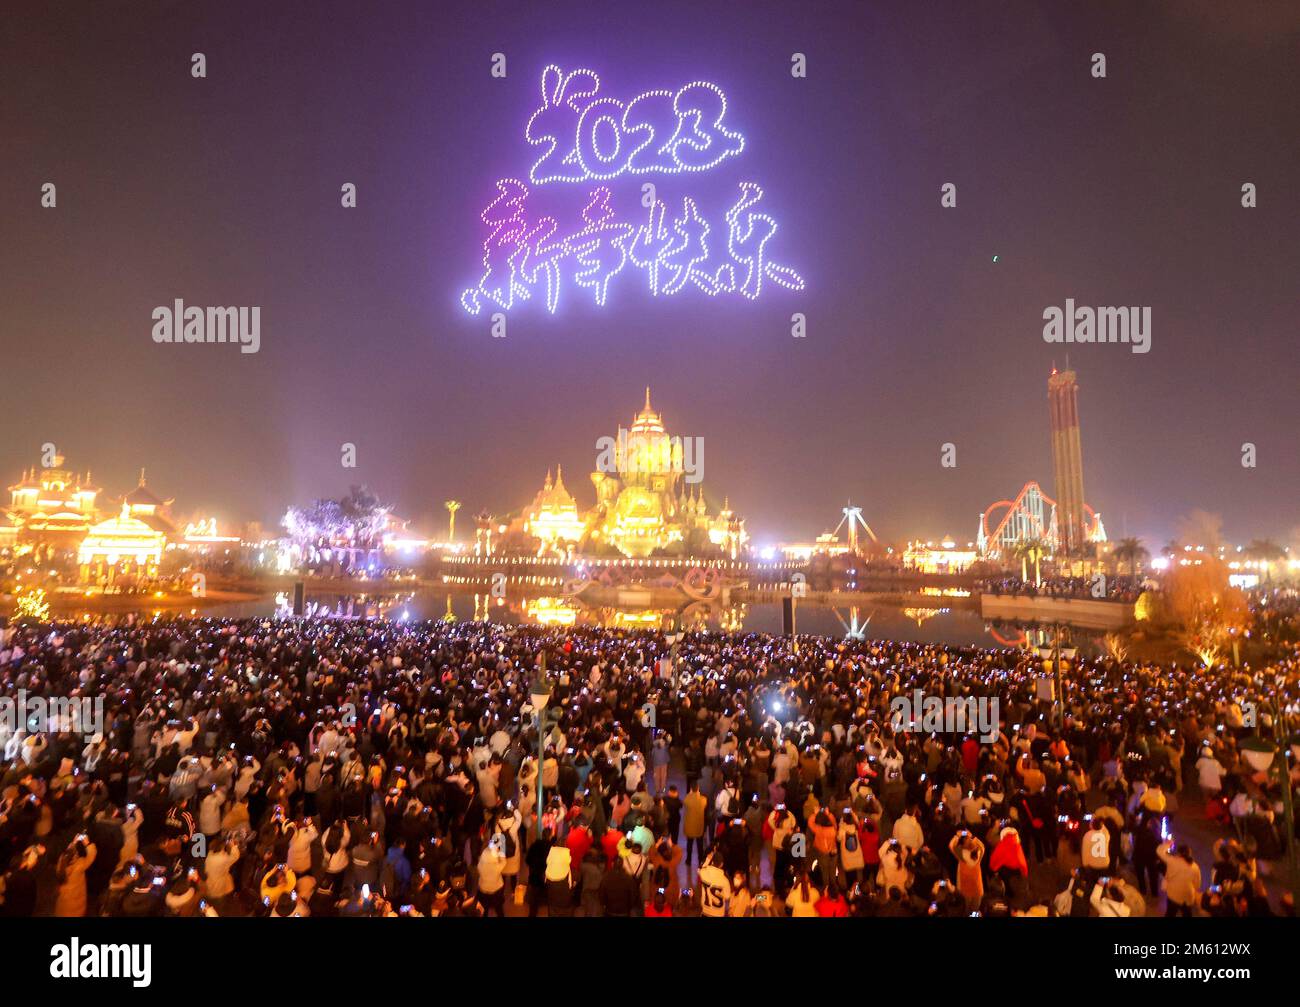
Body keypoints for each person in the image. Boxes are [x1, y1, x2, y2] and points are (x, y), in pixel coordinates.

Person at [1158, 840, 1202, 917]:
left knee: (1170, 913)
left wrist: (1168, 844)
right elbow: (1197, 885)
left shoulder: (1172, 861)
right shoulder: (1195, 867)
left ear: (1178, 853)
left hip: (1173, 894)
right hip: (1188, 896)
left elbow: (1159, 851)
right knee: (1187, 914)